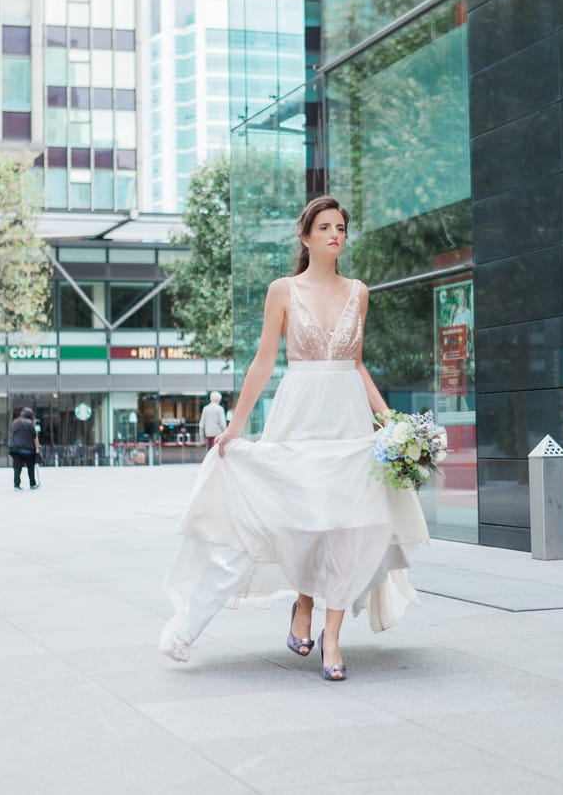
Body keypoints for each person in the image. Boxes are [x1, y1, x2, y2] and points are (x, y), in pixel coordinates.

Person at [159, 196, 429, 680]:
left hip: (346, 416)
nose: (335, 234)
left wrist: (390, 420)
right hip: (300, 412)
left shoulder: (359, 291)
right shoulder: (282, 290)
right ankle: (302, 604)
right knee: (305, 520)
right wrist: (235, 426)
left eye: (342, 227)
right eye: (325, 227)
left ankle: (333, 637)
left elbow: (358, 363)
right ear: (306, 237)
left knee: (350, 525)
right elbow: (265, 361)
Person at [8, 407, 40, 491]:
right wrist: (37, 448)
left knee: (17, 468)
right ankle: (32, 484)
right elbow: (34, 436)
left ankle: (16, 485)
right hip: (28, 449)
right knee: (30, 467)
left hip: (15, 448)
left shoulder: (15, 422)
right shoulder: (30, 423)